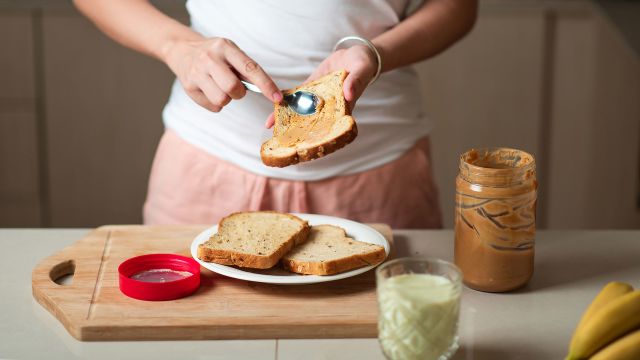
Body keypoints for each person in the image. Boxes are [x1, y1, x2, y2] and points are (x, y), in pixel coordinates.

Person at [74, 0, 477, 228]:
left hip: (380, 172)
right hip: (207, 168)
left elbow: (457, 7)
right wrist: (178, 47)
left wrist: (375, 52)